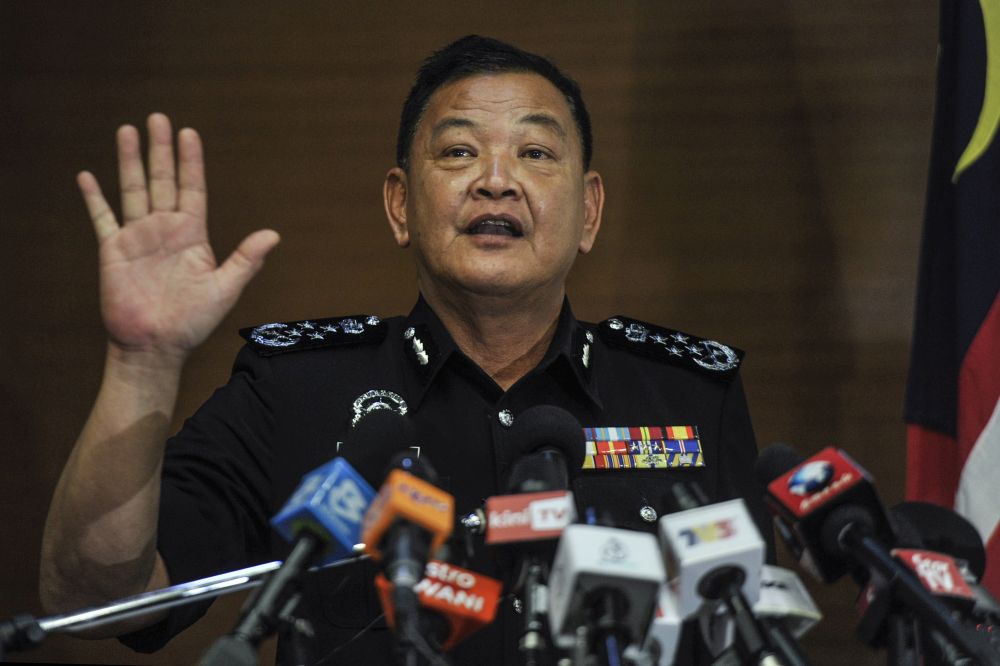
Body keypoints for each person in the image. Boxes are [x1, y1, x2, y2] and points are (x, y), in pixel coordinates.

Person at [39, 35, 770, 664]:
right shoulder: (295, 391)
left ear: (589, 211)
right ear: (400, 205)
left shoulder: (688, 397)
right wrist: (144, 364)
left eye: (536, 152)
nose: (496, 180)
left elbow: (751, 633)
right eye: (458, 151)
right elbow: (98, 598)